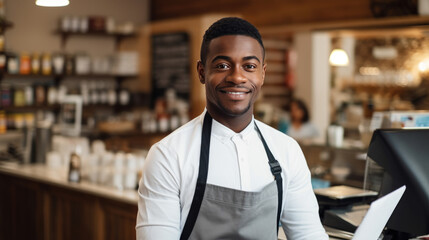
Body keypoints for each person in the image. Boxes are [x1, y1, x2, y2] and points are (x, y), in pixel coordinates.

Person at [136, 17, 328, 240]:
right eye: (222, 65)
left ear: (262, 74)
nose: (237, 77)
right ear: (201, 72)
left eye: (249, 66)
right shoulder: (168, 155)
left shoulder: (287, 150)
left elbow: (308, 234)